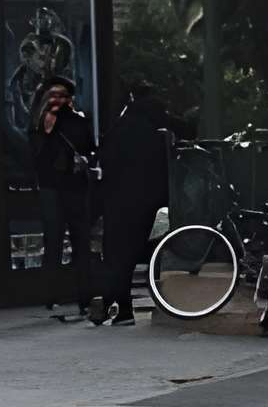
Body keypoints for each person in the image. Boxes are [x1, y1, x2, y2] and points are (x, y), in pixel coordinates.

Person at [94, 83, 173, 328]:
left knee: (117, 253)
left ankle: (119, 306)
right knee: (131, 252)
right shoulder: (159, 127)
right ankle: (113, 304)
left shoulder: (121, 127)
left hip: (120, 198)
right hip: (150, 199)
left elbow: (107, 162)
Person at [30, 76, 98, 321]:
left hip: (75, 187)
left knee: (81, 242)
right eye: (52, 94)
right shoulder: (39, 121)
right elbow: (35, 155)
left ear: (70, 99)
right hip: (51, 187)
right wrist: (46, 129)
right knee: (53, 242)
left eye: (61, 95)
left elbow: (91, 148)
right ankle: (51, 296)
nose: (56, 99)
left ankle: (84, 297)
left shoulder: (78, 121)